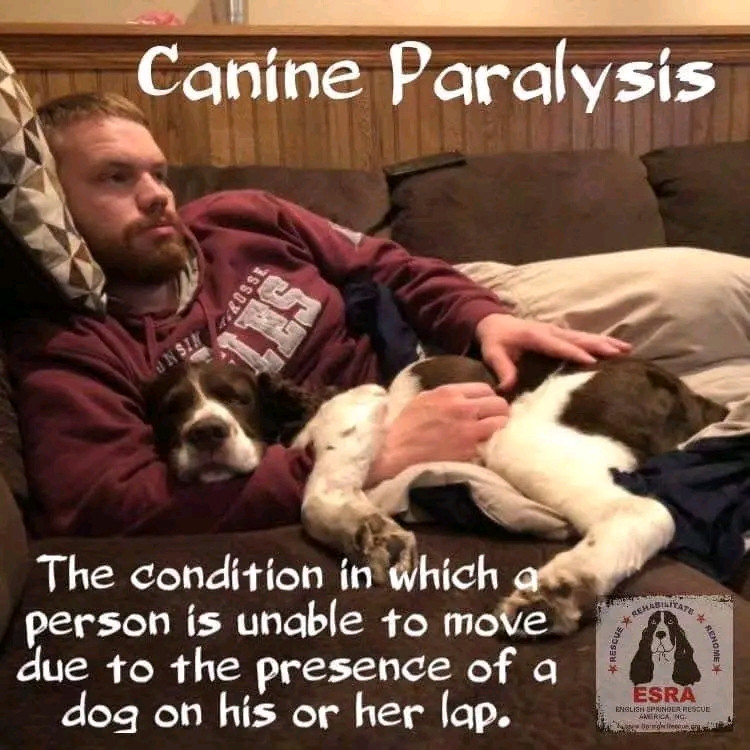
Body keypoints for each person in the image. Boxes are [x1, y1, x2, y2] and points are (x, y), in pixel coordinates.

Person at [5, 92, 634, 538]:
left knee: (679, 286)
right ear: (53, 205)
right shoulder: (71, 344)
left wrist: (482, 317)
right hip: (383, 418)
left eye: (159, 174)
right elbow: (101, 505)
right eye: (116, 178)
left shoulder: (241, 217)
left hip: (454, 317)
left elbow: (389, 264)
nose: (157, 195)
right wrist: (367, 459)